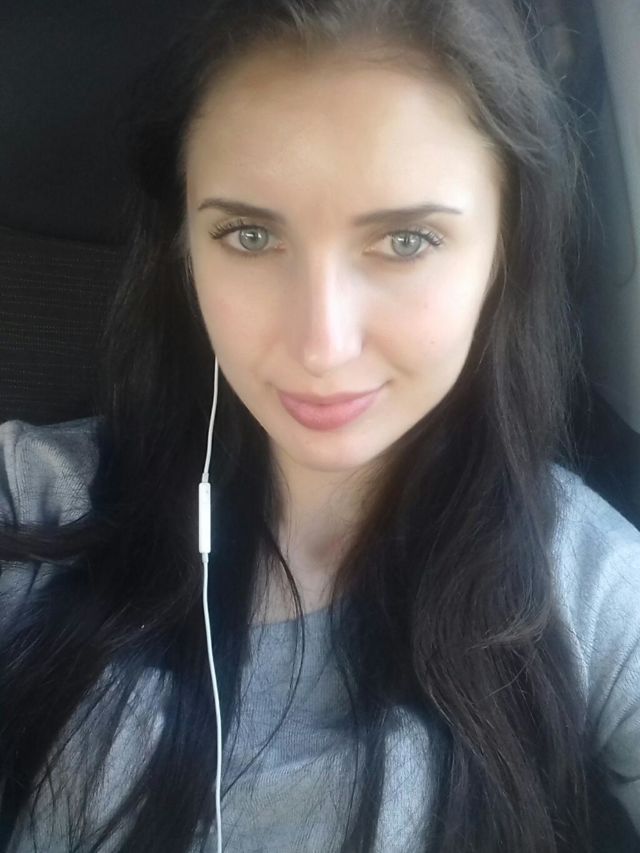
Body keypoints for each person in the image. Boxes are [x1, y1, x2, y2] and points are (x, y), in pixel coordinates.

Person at [1, 0, 639, 851]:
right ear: (184, 245)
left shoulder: (592, 592)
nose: (321, 345)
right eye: (249, 234)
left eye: (406, 241)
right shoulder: (34, 502)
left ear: (502, 252)